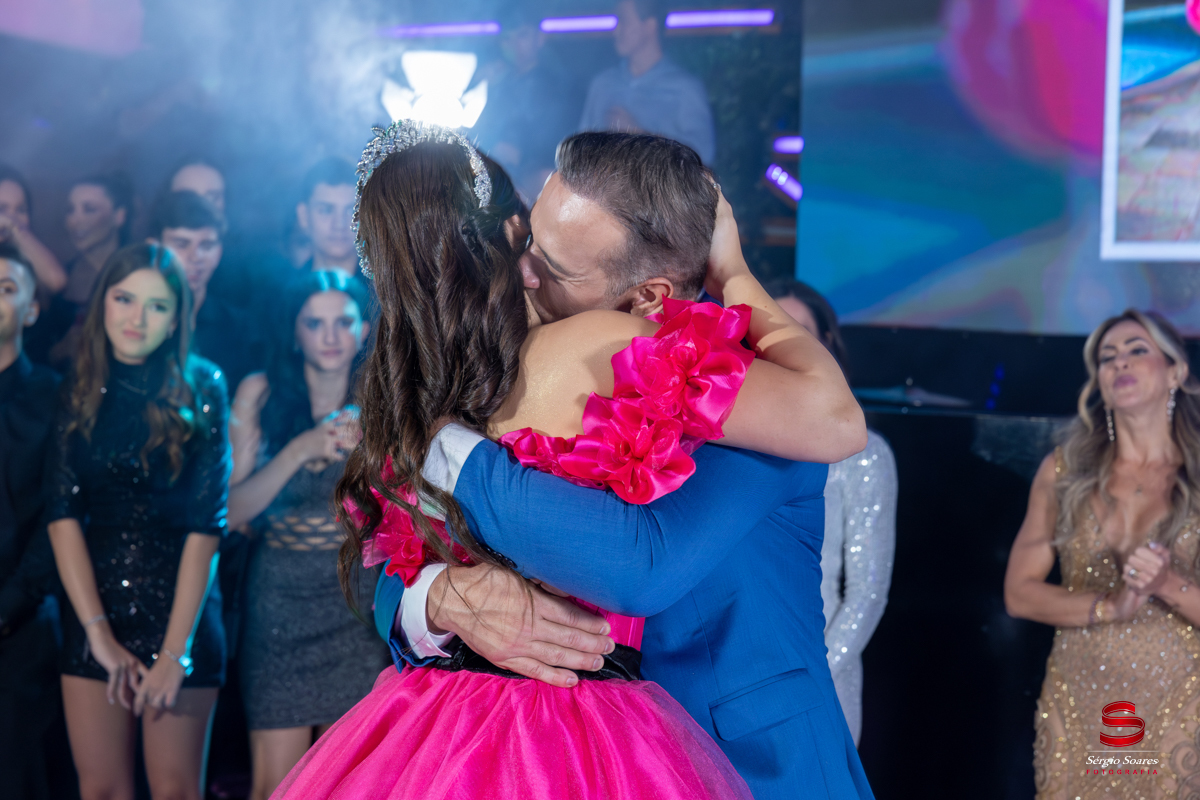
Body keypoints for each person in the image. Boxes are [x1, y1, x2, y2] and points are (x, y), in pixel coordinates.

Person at [275, 124, 870, 799]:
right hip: (571, 755)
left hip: (758, 765)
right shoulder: (509, 361)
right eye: (529, 239)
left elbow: (639, 564)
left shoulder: (754, 396)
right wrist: (437, 600)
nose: (521, 271)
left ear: (648, 297)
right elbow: (400, 558)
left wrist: (444, 449)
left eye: (553, 267)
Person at [45, 243, 230, 800]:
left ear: (176, 318)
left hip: (182, 617)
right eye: (124, 298)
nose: (136, 318)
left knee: (174, 790)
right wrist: (98, 634)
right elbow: (61, 514)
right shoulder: (76, 388)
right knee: (102, 789)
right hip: (95, 614)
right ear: (102, 301)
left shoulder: (203, 386)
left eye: (156, 305)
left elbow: (206, 526)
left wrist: (175, 652)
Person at [1005, 309, 1200, 799]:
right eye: (1108, 357)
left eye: (1137, 350)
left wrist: (1164, 584)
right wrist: (1111, 606)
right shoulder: (1064, 471)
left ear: (1176, 372)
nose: (1120, 363)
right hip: (1080, 697)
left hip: (1180, 699)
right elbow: (1018, 594)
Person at [225, 270, 387, 800]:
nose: (330, 335)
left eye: (343, 321)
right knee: (275, 786)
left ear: (364, 329)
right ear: (295, 331)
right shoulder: (261, 392)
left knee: (350, 783)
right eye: (314, 323)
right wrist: (301, 448)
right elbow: (231, 511)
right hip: (279, 608)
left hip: (354, 605)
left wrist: (376, 448)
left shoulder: (384, 397)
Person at [767, 278, 896, 745]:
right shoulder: (723, 443)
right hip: (737, 676)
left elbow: (866, 593)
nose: (782, 340)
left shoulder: (861, 453)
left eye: (799, 329)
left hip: (821, 677)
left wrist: (814, 669)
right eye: (770, 327)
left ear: (826, 346)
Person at [0, 243, 67, 800]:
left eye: (6, 288)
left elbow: (58, 514)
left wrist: (9, 605)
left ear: (31, 310)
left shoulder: (52, 396)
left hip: (22, 624)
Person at [149, 190, 265, 390]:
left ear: (219, 252)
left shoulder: (241, 329)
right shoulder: (135, 318)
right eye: (181, 244)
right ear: (154, 249)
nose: (196, 257)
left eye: (207, 245)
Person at [578, 0, 716, 164]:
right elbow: (579, 154)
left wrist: (640, 135)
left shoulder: (684, 88)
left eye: (624, 21)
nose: (615, 30)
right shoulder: (602, 85)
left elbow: (702, 155)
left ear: (650, 26)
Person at [27, 172, 135, 368]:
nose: (75, 220)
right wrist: (60, 350)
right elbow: (36, 356)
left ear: (119, 216)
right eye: (70, 210)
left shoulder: (138, 276)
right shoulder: (59, 277)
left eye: (89, 209)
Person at [474, 9, 576, 202]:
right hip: (493, 175)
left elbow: (555, 143)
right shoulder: (497, 84)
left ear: (540, 38)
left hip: (535, 180)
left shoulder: (554, 86)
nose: (515, 45)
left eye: (522, 35)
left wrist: (519, 157)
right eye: (507, 38)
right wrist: (482, 85)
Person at [0, 164, 67, 294]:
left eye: (21, 210)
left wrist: (17, 232)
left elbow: (57, 281)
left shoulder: (25, 256)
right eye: (2, 209)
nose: (11, 218)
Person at [294, 158, 357, 277]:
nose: (339, 224)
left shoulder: (389, 286)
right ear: (304, 216)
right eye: (326, 211)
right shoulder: (281, 287)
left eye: (351, 211)